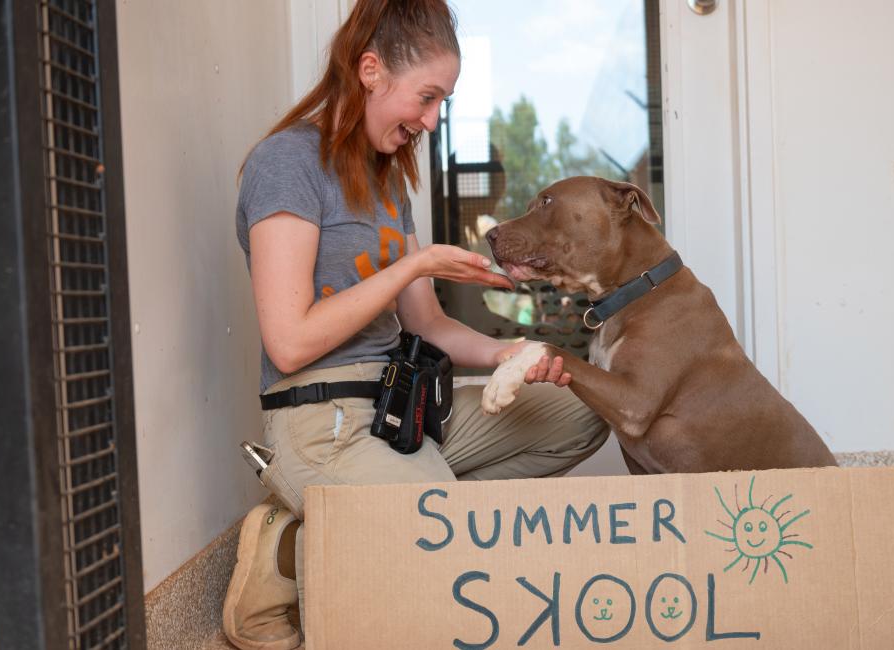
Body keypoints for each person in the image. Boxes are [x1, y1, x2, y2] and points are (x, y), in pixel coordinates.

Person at [221, 1, 609, 648]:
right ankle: (355, 517)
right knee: (448, 557)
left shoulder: (388, 184)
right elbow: (287, 343)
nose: (432, 121)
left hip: (402, 413)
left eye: (442, 103)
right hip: (323, 426)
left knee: (579, 412)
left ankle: (319, 525)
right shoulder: (285, 165)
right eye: (426, 98)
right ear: (370, 71)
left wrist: (512, 348)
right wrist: (414, 265)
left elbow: (426, 325)